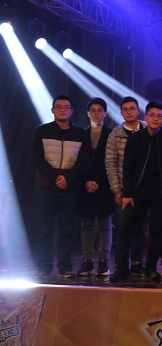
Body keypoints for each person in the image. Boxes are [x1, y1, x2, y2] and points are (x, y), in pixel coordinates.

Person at [111, 102, 162, 281]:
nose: (155, 119)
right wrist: (127, 193)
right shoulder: (135, 138)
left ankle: (150, 268)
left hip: (161, 193)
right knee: (124, 228)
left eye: (159, 116)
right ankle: (121, 268)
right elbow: (127, 167)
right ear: (145, 117)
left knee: (157, 232)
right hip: (136, 193)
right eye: (152, 115)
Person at [32, 95, 89, 279]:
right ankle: (44, 267)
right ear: (52, 110)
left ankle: (65, 267)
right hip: (46, 188)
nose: (62, 110)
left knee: (67, 230)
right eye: (58, 107)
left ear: (72, 111)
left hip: (69, 189)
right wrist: (55, 177)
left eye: (66, 107)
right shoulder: (42, 131)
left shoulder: (80, 134)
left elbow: (83, 161)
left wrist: (67, 178)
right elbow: (38, 158)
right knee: (44, 230)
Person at [105, 95, 147, 276]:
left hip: (143, 190)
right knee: (122, 229)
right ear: (121, 113)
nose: (129, 112)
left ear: (138, 110)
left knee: (140, 229)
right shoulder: (115, 135)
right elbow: (110, 163)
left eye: (132, 109)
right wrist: (116, 189)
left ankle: (137, 263)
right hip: (123, 190)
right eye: (125, 110)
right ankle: (121, 266)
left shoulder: (148, 130)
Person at [77, 98, 114, 276]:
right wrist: (86, 181)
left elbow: (112, 161)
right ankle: (87, 261)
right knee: (87, 224)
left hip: (105, 185)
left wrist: (98, 181)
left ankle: (104, 260)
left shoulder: (111, 134)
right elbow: (77, 161)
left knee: (105, 224)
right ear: (87, 113)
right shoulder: (81, 134)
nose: (96, 113)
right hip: (85, 185)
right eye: (93, 110)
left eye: (100, 110)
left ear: (105, 113)